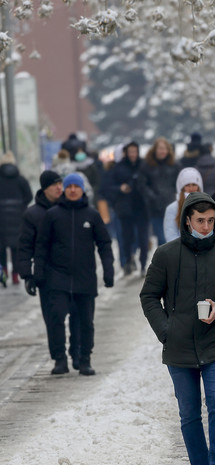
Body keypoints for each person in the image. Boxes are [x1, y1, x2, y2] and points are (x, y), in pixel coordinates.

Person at [140, 192, 215, 465]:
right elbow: (149, 295)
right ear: (187, 221)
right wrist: (167, 330)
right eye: (200, 220)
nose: (206, 226)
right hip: (179, 346)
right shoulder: (166, 255)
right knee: (189, 413)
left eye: (210, 220)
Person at [34, 173, 114, 375]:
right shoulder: (52, 215)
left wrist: (108, 269)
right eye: (68, 186)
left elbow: (104, 244)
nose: (72, 190)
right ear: (64, 190)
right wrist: (38, 272)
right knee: (56, 318)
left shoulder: (92, 215)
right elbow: (41, 246)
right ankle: (60, 359)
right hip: (57, 278)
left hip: (84, 278)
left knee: (85, 321)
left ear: (82, 190)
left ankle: (84, 358)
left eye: (75, 187)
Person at [17, 171, 80, 369]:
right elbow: (25, 246)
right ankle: (59, 357)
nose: (59, 188)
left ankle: (77, 353)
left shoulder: (71, 208)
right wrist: (27, 274)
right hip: (47, 273)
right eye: (54, 185)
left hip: (73, 271)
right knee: (54, 318)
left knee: (78, 316)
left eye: (60, 184)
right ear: (45, 188)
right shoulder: (32, 214)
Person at [105, 141, 150, 275]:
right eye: (130, 152)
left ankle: (143, 263)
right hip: (125, 208)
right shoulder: (118, 168)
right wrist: (120, 188)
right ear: (126, 153)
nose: (133, 154)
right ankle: (129, 259)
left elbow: (150, 182)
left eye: (135, 151)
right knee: (127, 237)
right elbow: (108, 187)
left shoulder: (143, 166)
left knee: (143, 238)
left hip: (142, 206)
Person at [138, 137, 180, 247]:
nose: (162, 151)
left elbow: (179, 184)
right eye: (160, 148)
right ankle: (163, 262)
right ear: (155, 150)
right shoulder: (147, 166)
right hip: (155, 207)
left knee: (171, 238)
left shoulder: (175, 166)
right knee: (161, 238)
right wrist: (152, 197)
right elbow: (142, 185)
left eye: (165, 148)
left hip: (171, 205)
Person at [0, 151, 32, 284]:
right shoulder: (21, 179)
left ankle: (4, 272)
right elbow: (29, 196)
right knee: (16, 247)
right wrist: (21, 206)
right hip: (18, 217)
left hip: (1, 218)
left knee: (1, 246)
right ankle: (15, 275)